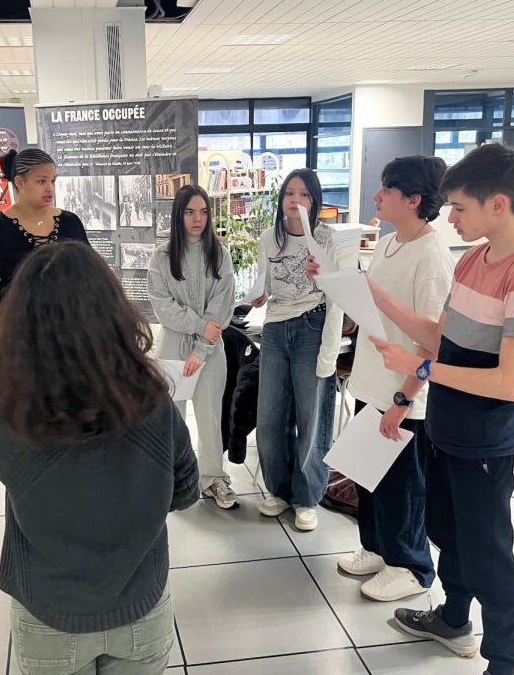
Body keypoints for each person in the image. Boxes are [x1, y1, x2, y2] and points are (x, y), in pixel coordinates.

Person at [0, 240, 198, 675]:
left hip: (50, 617)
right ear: (113, 313)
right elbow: (184, 491)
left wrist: (0, 379)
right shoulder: (153, 402)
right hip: (140, 607)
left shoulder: (7, 420)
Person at [368, 144, 514, 675]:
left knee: (488, 555)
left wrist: (423, 369)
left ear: (497, 205)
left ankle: (504, 661)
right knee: (447, 535)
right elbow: (442, 337)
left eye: (459, 208)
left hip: (483, 443)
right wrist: (376, 300)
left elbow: (508, 381)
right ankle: (453, 618)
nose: (449, 217)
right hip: (445, 430)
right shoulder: (476, 258)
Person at [310, 156, 453, 601]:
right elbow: (371, 312)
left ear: (413, 199)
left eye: (386, 190)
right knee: (369, 478)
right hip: (372, 383)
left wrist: (404, 399)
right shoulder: (390, 244)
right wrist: (333, 283)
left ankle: (411, 566)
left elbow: (432, 342)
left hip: (402, 394)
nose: (376, 196)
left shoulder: (431, 257)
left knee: (403, 488)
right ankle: (376, 547)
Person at [250, 169, 344, 532]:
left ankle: (306, 497)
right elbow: (268, 286)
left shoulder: (326, 239)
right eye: (289, 193)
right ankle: (277, 489)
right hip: (275, 328)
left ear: (315, 200)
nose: (295, 200)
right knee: (270, 414)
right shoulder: (268, 238)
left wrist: (329, 353)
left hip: (312, 326)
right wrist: (259, 295)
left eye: (303, 194)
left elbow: (337, 298)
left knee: (311, 416)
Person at [148, 184, 237, 508]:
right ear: (178, 215)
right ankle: (175, 479)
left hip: (211, 353)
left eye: (203, 212)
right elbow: (162, 306)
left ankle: (213, 478)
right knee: (173, 417)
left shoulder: (220, 255)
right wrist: (199, 326)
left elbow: (222, 309)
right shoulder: (161, 257)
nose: (197, 218)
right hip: (173, 347)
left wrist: (201, 350)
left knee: (210, 416)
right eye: (189, 212)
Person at [0, 148, 89, 309]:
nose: (50, 188)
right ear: (20, 182)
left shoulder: (70, 221)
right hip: (21, 326)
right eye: (41, 181)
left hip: (71, 322)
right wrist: (14, 305)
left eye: (53, 181)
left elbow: (87, 267)